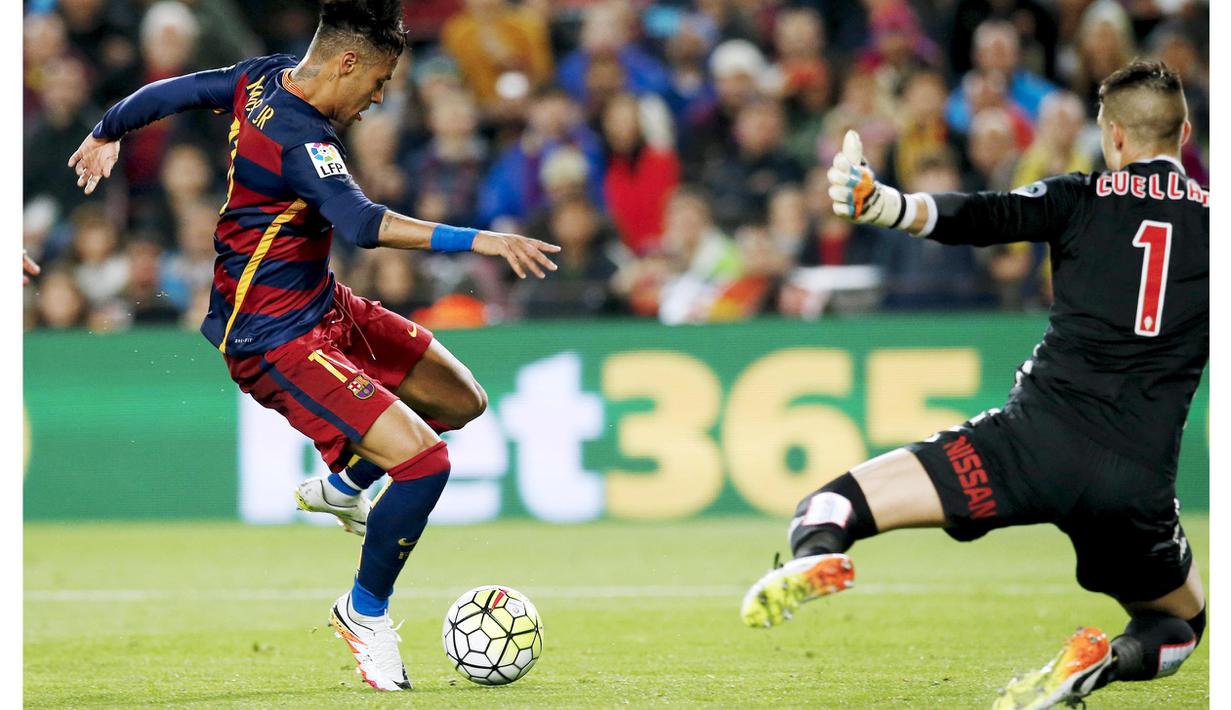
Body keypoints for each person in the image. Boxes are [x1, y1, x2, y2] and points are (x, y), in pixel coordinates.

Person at [67, 0, 559, 692]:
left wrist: (106, 129)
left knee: (461, 400)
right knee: (424, 464)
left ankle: (342, 485)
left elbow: (176, 92)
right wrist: (483, 239)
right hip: (273, 338)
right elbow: (359, 223)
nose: (380, 98)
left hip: (322, 305)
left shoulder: (260, 78)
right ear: (347, 62)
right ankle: (365, 613)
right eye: (380, 82)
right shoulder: (303, 136)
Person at [740, 61, 1207, 710]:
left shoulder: (1080, 197)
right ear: (1182, 131)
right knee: (1180, 624)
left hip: (1029, 444)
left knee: (835, 501)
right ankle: (1101, 664)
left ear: (1113, 137)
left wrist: (882, 203)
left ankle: (813, 555)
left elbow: (982, 216)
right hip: (1135, 481)